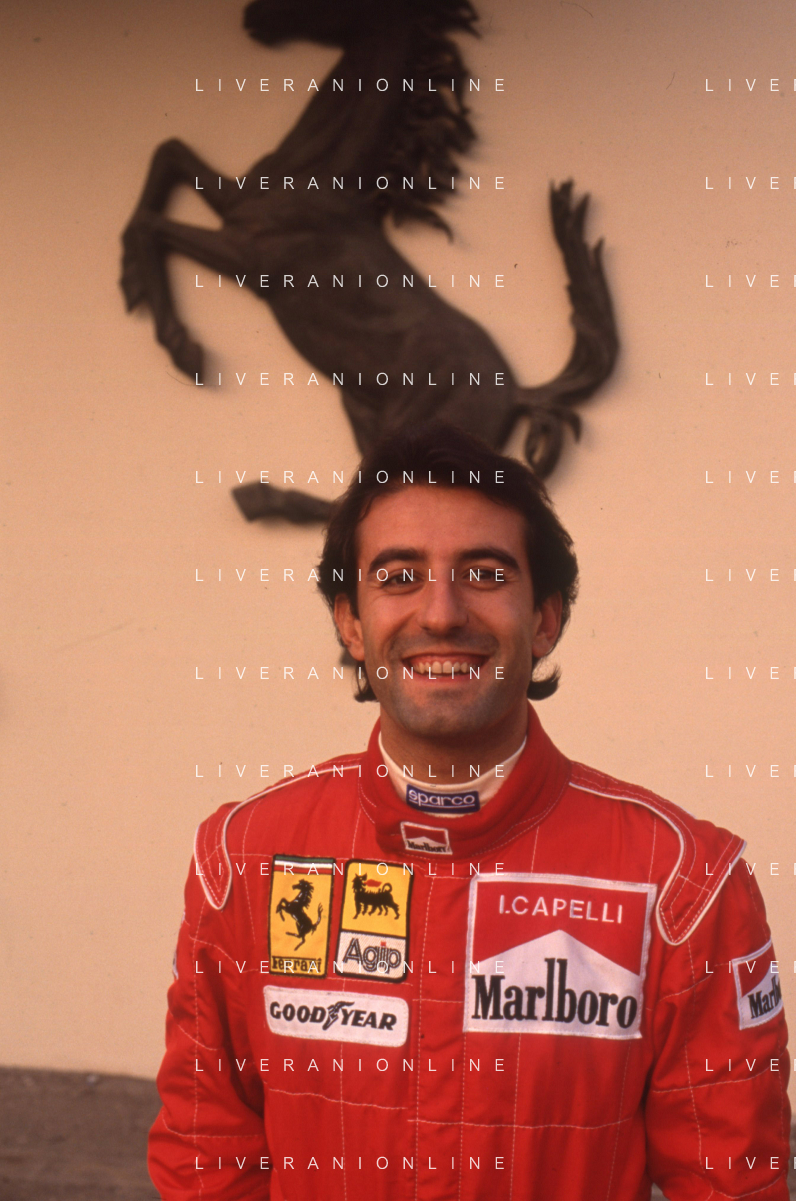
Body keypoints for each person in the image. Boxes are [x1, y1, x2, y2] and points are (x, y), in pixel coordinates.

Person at [149, 424, 790, 1200]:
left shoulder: (685, 886)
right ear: (350, 623)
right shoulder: (243, 859)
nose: (442, 612)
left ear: (546, 619)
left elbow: (732, 1181)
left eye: (484, 573)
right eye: (399, 576)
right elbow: (206, 1156)